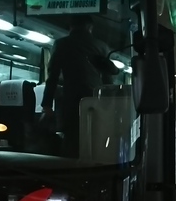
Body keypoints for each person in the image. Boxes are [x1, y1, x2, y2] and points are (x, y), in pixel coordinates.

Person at [40, 17, 119, 157]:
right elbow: (108, 79)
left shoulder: (62, 44)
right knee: (94, 135)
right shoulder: (101, 46)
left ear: (71, 27)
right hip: (95, 98)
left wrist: (47, 104)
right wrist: (109, 104)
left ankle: (70, 166)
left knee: (71, 138)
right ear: (90, 28)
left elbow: (53, 75)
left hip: (71, 99)